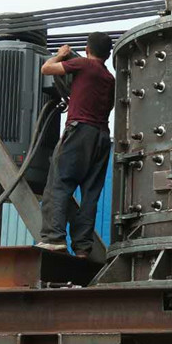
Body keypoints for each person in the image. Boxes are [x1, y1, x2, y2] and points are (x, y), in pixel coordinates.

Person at [36, 32, 115, 258]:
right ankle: (82, 248)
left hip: (79, 131)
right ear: (108, 55)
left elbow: (46, 69)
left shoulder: (83, 64)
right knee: (90, 194)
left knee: (58, 184)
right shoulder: (110, 78)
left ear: (87, 50)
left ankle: (54, 239)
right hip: (102, 137)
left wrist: (60, 55)